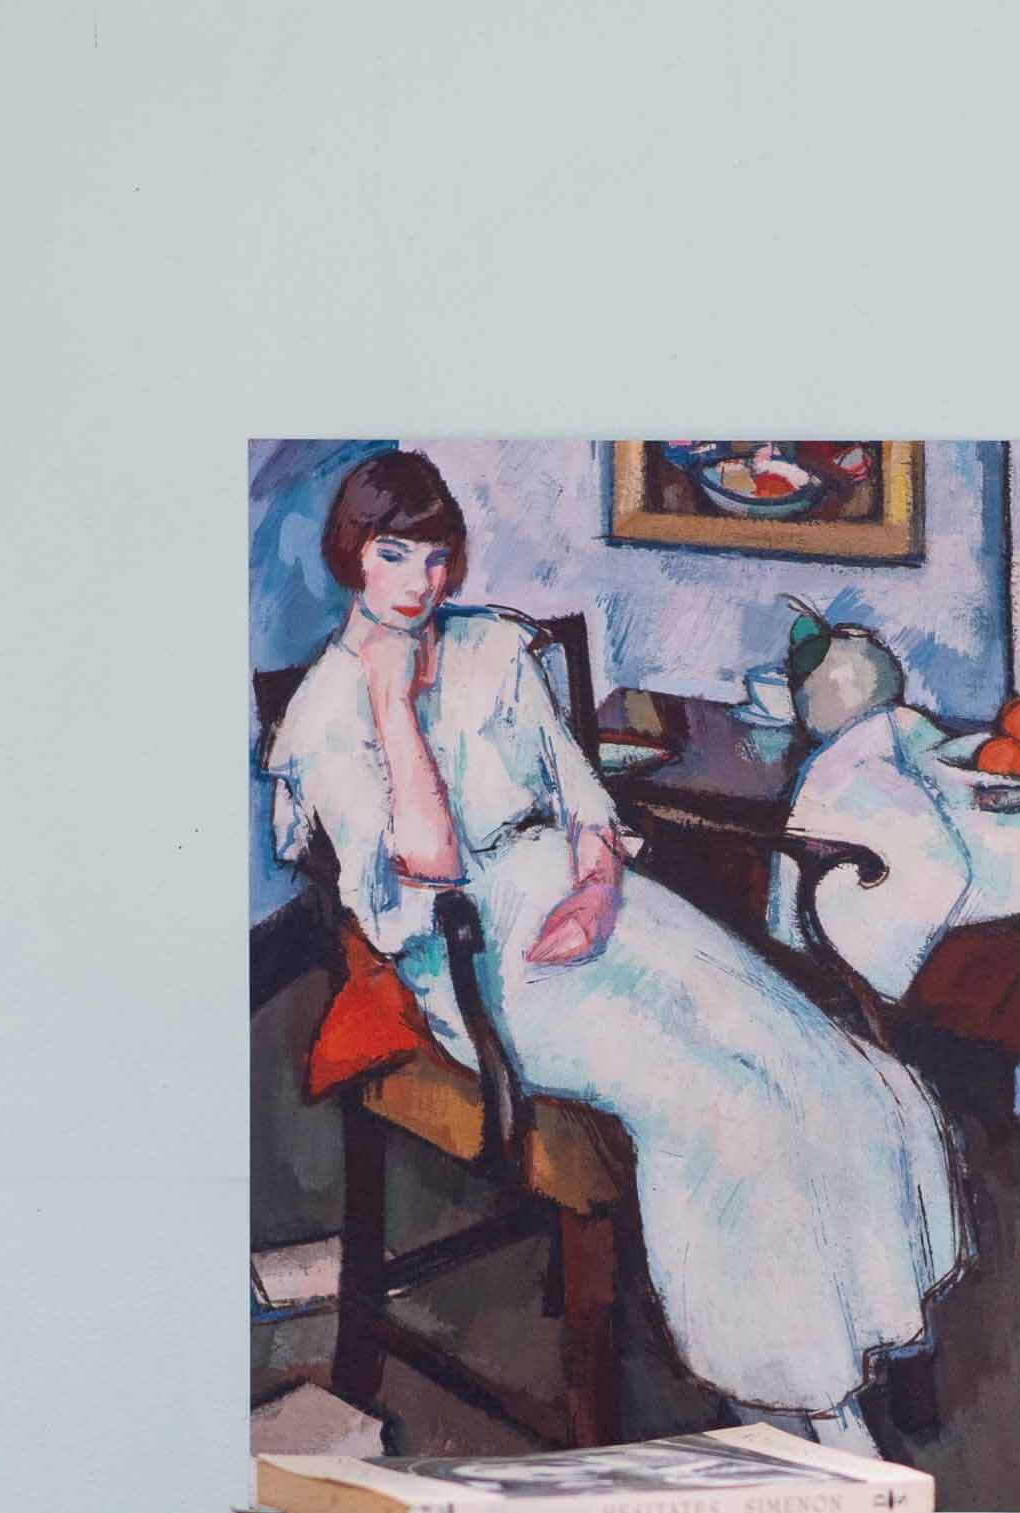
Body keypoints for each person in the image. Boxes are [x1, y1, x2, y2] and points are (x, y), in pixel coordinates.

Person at [266, 451, 968, 1449]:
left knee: (813, 1061)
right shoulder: (327, 714)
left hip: (585, 895)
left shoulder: (492, 647)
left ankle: (862, 1337)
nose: (420, 582)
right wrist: (391, 703)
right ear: (352, 553)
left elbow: (579, 791)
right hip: (470, 954)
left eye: (435, 556)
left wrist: (597, 888)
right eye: (393, 554)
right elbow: (428, 867)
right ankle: (795, 1399)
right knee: (719, 1107)